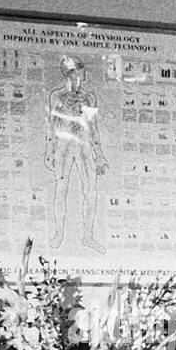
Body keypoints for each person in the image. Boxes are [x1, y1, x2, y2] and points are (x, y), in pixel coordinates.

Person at [43, 56, 108, 254]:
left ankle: (88, 236)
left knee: (90, 191)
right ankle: (59, 234)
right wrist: (49, 150)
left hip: (84, 144)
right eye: (80, 69)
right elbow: (51, 124)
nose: (84, 72)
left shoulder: (89, 97)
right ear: (72, 72)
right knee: (61, 189)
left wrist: (100, 154)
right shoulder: (57, 96)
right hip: (63, 144)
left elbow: (93, 127)